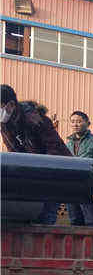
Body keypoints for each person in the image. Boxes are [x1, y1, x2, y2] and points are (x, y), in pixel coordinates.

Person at [1, 84, 71, 224]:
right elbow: (14, 152)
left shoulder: (35, 119)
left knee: (45, 215)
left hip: (54, 171)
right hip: (33, 173)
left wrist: (40, 171)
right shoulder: (5, 124)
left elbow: (54, 149)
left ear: (11, 105)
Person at [66, 111, 93, 227]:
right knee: (75, 221)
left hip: (89, 188)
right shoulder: (68, 144)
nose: (75, 124)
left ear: (88, 123)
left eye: (79, 121)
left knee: (92, 221)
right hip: (72, 188)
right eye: (73, 121)